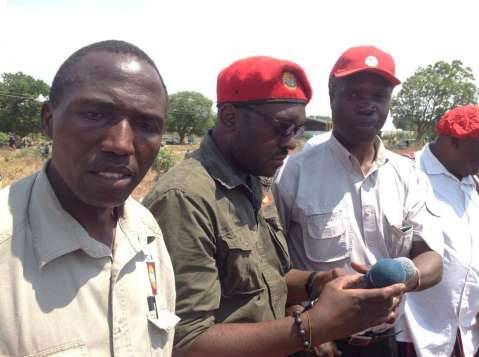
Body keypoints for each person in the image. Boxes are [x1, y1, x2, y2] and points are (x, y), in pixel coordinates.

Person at [143, 56, 405, 357]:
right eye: (282, 128)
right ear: (230, 118)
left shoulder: (257, 180)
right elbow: (185, 342)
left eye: (297, 130)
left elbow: (266, 281)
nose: (291, 142)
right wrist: (313, 326)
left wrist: (315, 282)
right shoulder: (185, 198)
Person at [0, 40, 177, 356]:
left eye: (147, 125)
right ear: (49, 121)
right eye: (95, 114)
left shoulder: (146, 232)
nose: (121, 144)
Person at [274, 45, 443, 357]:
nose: (367, 106)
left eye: (378, 97)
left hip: (384, 342)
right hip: (314, 344)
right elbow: (269, 270)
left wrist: (402, 277)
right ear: (332, 97)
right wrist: (301, 319)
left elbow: (431, 260)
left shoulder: (408, 175)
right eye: (354, 95)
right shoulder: (292, 172)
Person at [396, 105, 479, 357]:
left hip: (464, 333)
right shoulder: (405, 173)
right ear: (455, 142)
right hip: (414, 331)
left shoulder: (473, 183)